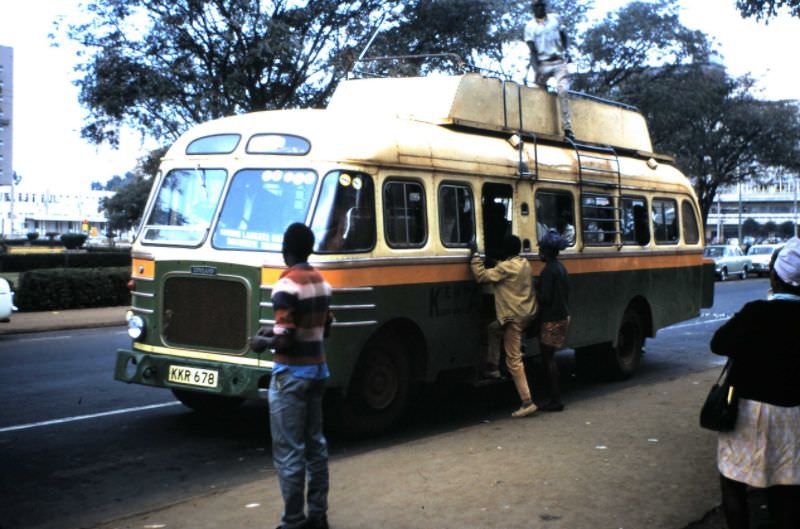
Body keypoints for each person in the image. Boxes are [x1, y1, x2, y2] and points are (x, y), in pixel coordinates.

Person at [709, 238, 800, 529]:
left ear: (775, 277)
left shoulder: (755, 312)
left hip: (748, 411)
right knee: (786, 485)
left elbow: (718, 343)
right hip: (792, 414)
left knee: (733, 480)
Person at [250, 223, 333, 529]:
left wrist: (263, 342)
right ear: (308, 248)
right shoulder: (321, 282)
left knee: (289, 451)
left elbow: (285, 341)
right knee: (316, 447)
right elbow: (324, 328)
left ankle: (293, 521)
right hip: (318, 370)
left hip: (291, 375)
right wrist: (276, 331)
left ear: (287, 248)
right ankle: (318, 516)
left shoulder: (285, 285)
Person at [469, 234, 539, 418]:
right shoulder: (524, 263)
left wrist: (475, 257)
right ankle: (493, 367)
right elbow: (505, 267)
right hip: (526, 313)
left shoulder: (505, 268)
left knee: (514, 361)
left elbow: (481, 276)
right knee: (493, 329)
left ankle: (527, 401)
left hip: (512, 318)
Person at [524, 0, 574, 140]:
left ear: (545, 6)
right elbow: (532, 50)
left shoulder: (555, 19)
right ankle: (538, 126)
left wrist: (566, 51)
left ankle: (568, 129)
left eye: (542, 5)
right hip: (543, 64)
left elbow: (564, 36)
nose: (540, 8)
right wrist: (536, 69)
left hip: (559, 62)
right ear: (533, 8)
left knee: (563, 90)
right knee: (536, 92)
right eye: (537, 6)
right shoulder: (529, 27)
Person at [536, 229, 570, 412]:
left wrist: (534, 288)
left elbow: (545, 298)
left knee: (548, 359)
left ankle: (555, 399)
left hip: (551, 318)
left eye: (541, 249)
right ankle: (555, 397)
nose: (539, 253)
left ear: (547, 252)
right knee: (551, 357)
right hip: (562, 316)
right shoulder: (561, 268)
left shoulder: (549, 270)